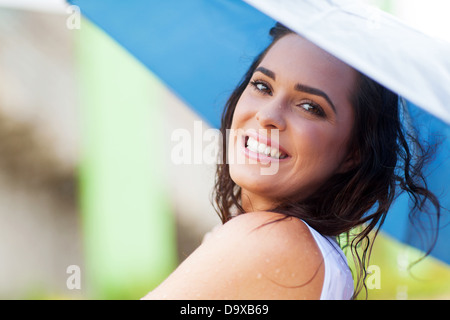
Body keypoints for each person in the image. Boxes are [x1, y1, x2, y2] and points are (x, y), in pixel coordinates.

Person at [143, 23, 440, 300]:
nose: (268, 115)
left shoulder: (271, 237)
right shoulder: (302, 248)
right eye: (262, 86)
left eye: (310, 107)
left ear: (354, 152)